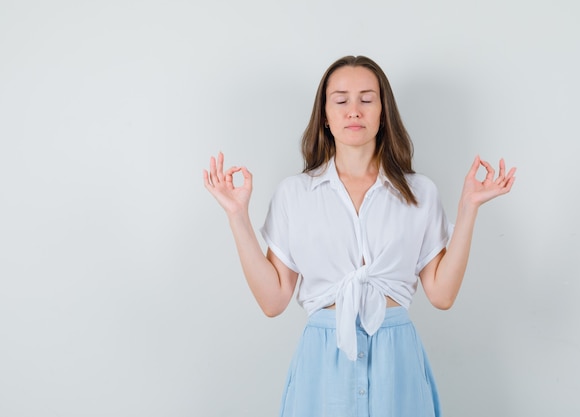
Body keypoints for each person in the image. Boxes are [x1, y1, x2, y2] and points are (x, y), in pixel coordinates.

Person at [203, 55, 516, 417]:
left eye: (367, 99)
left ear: (383, 112)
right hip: (323, 362)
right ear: (324, 114)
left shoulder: (419, 192)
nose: (354, 110)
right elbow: (273, 301)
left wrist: (468, 208)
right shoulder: (295, 194)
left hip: (396, 361)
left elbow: (442, 295)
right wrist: (237, 216)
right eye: (341, 100)